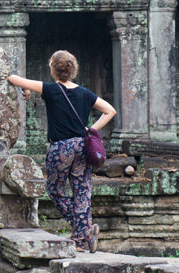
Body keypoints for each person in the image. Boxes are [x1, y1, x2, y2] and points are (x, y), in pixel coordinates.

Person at [7, 51, 116, 252]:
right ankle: (82, 237)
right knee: (82, 191)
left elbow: (13, 78)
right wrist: (91, 130)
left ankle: (82, 229)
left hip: (61, 148)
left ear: (52, 69)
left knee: (56, 190)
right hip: (83, 146)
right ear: (73, 70)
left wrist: (26, 88)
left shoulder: (50, 89)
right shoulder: (85, 93)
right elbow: (110, 110)